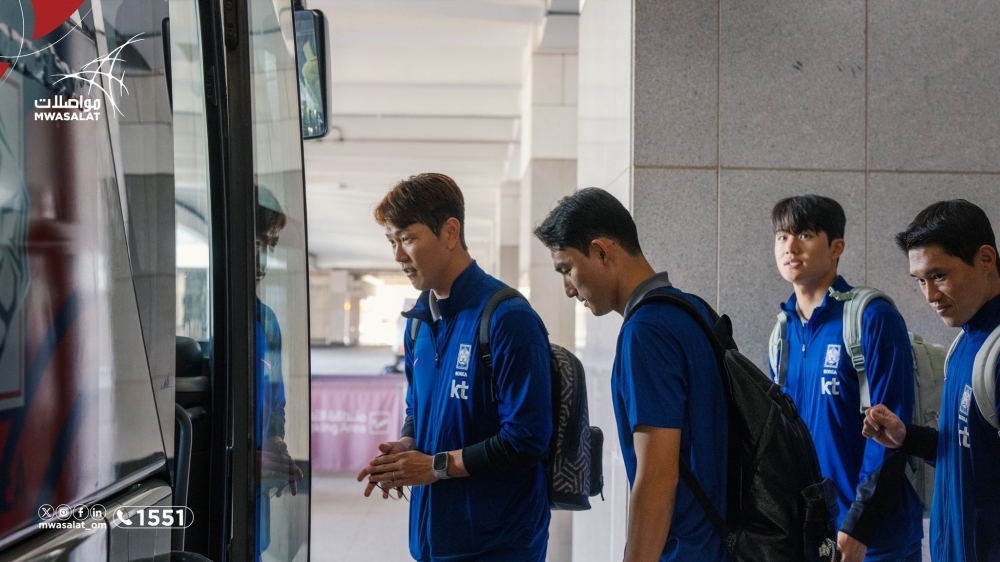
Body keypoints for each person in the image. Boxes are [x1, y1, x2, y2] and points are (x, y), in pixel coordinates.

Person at [357, 173, 553, 562]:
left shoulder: (507, 318)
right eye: (391, 241)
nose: (397, 255)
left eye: (407, 238)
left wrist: (435, 466)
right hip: (433, 541)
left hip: (498, 545)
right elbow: (418, 408)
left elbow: (528, 438)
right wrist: (407, 445)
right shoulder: (418, 323)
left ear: (449, 232)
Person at [533, 187, 730, 562]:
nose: (568, 289)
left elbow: (657, 477)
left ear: (603, 251)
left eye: (567, 268)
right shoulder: (693, 310)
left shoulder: (647, 331)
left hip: (685, 550)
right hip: (723, 541)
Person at [768, 195, 922, 562]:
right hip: (820, 536)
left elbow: (890, 435)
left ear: (837, 246)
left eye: (804, 234)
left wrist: (858, 527)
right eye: (781, 236)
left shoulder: (872, 317)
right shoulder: (782, 333)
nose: (789, 247)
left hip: (876, 539)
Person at [863, 199, 1000, 561]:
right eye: (920, 281)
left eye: (939, 275)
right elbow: (975, 452)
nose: (930, 295)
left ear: (986, 260)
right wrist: (910, 438)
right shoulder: (964, 344)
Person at [255, 186, 304, 560]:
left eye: (269, 246)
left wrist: (274, 443)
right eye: (256, 243)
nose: (262, 260)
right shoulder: (210, 323)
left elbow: (277, 403)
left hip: (253, 508)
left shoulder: (265, 321)